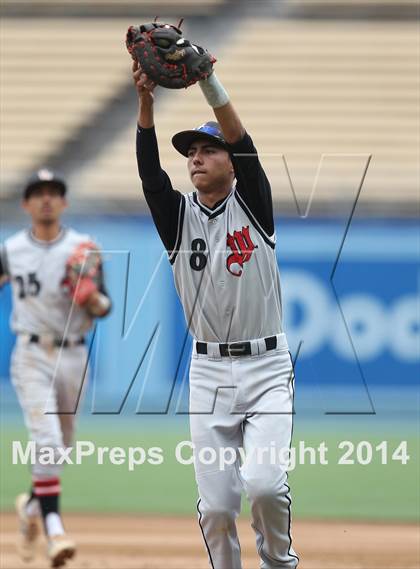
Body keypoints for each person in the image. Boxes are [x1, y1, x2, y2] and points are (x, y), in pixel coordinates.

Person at [133, 59, 299, 569]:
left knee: (265, 486)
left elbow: (242, 139)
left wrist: (208, 81)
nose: (197, 159)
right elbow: (149, 173)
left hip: (267, 368)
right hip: (208, 373)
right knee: (218, 507)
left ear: (231, 162)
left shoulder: (253, 203)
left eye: (208, 150)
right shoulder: (177, 216)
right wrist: (146, 102)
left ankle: (279, 564)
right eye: (192, 153)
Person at [0, 169, 111, 568]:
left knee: (61, 447)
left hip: (74, 354)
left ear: (63, 202)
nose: (46, 199)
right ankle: (54, 529)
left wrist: (90, 296)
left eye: (53, 193)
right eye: (38, 193)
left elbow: (105, 306)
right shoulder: (11, 249)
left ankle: (30, 506)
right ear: (26, 203)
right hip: (31, 354)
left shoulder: (83, 247)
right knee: (46, 441)